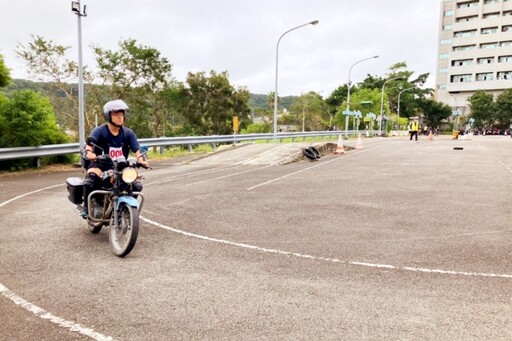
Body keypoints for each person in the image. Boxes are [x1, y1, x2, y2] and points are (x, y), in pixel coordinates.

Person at [81, 99, 149, 218]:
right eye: (116, 114)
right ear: (108, 116)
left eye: (121, 114)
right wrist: (89, 153)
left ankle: (127, 210)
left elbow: (136, 149)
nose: (120, 117)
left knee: (136, 185)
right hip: (99, 164)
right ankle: (88, 207)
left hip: (120, 166)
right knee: (90, 180)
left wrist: (141, 159)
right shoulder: (100, 131)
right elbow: (90, 145)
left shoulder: (128, 133)